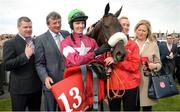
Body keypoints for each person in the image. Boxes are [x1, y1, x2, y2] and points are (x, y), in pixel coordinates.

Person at [3, 16, 42, 111]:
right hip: (19, 90)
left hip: (36, 88)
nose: (29, 29)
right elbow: (7, 65)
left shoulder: (36, 41)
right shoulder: (10, 43)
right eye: (25, 27)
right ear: (18, 27)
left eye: (30, 27)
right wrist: (25, 56)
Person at [104, 16, 141, 111]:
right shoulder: (109, 44)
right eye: (123, 24)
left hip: (130, 86)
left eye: (128, 25)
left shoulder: (133, 45)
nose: (126, 27)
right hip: (113, 85)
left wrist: (116, 61)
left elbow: (135, 66)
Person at [34, 11, 70, 111]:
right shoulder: (40, 39)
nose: (58, 25)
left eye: (59, 22)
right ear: (48, 25)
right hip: (52, 84)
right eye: (54, 23)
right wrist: (45, 77)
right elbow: (39, 63)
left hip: (68, 82)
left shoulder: (66, 34)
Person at [134, 20, 162, 111]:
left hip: (147, 83)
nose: (141, 32)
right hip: (132, 82)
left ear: (147, 32)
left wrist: (154, 66)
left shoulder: (153, 45)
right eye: (139, 30)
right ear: (135, 30)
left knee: (147, 109)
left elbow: (159, 64)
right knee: (133, 108)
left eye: (144, 30)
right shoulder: (130, 43)